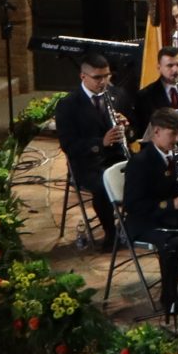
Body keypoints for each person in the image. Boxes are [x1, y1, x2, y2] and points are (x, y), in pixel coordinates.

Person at [122, 109, 178, 316]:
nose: (177, 139)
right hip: (145, 221)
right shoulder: (140, 162)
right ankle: (169, 299)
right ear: (157, 132)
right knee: (174, 244)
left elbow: (171, 184)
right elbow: (133, 205)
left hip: (171, 216)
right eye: (173, 134)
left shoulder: (176, 155)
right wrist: (171, 204)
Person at [55, 54, 128, 244]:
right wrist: (100, 143)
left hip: (116, 156)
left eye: (107, 76)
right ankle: (111, 234)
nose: (103, 82)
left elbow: (133, 129)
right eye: (97, 77)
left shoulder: (116, 95)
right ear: (83, 76)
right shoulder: (68, 105)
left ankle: (132, 226)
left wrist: (126, 126)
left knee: (144, 173)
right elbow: (69, 145)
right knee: (104, 186)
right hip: (88, 164)